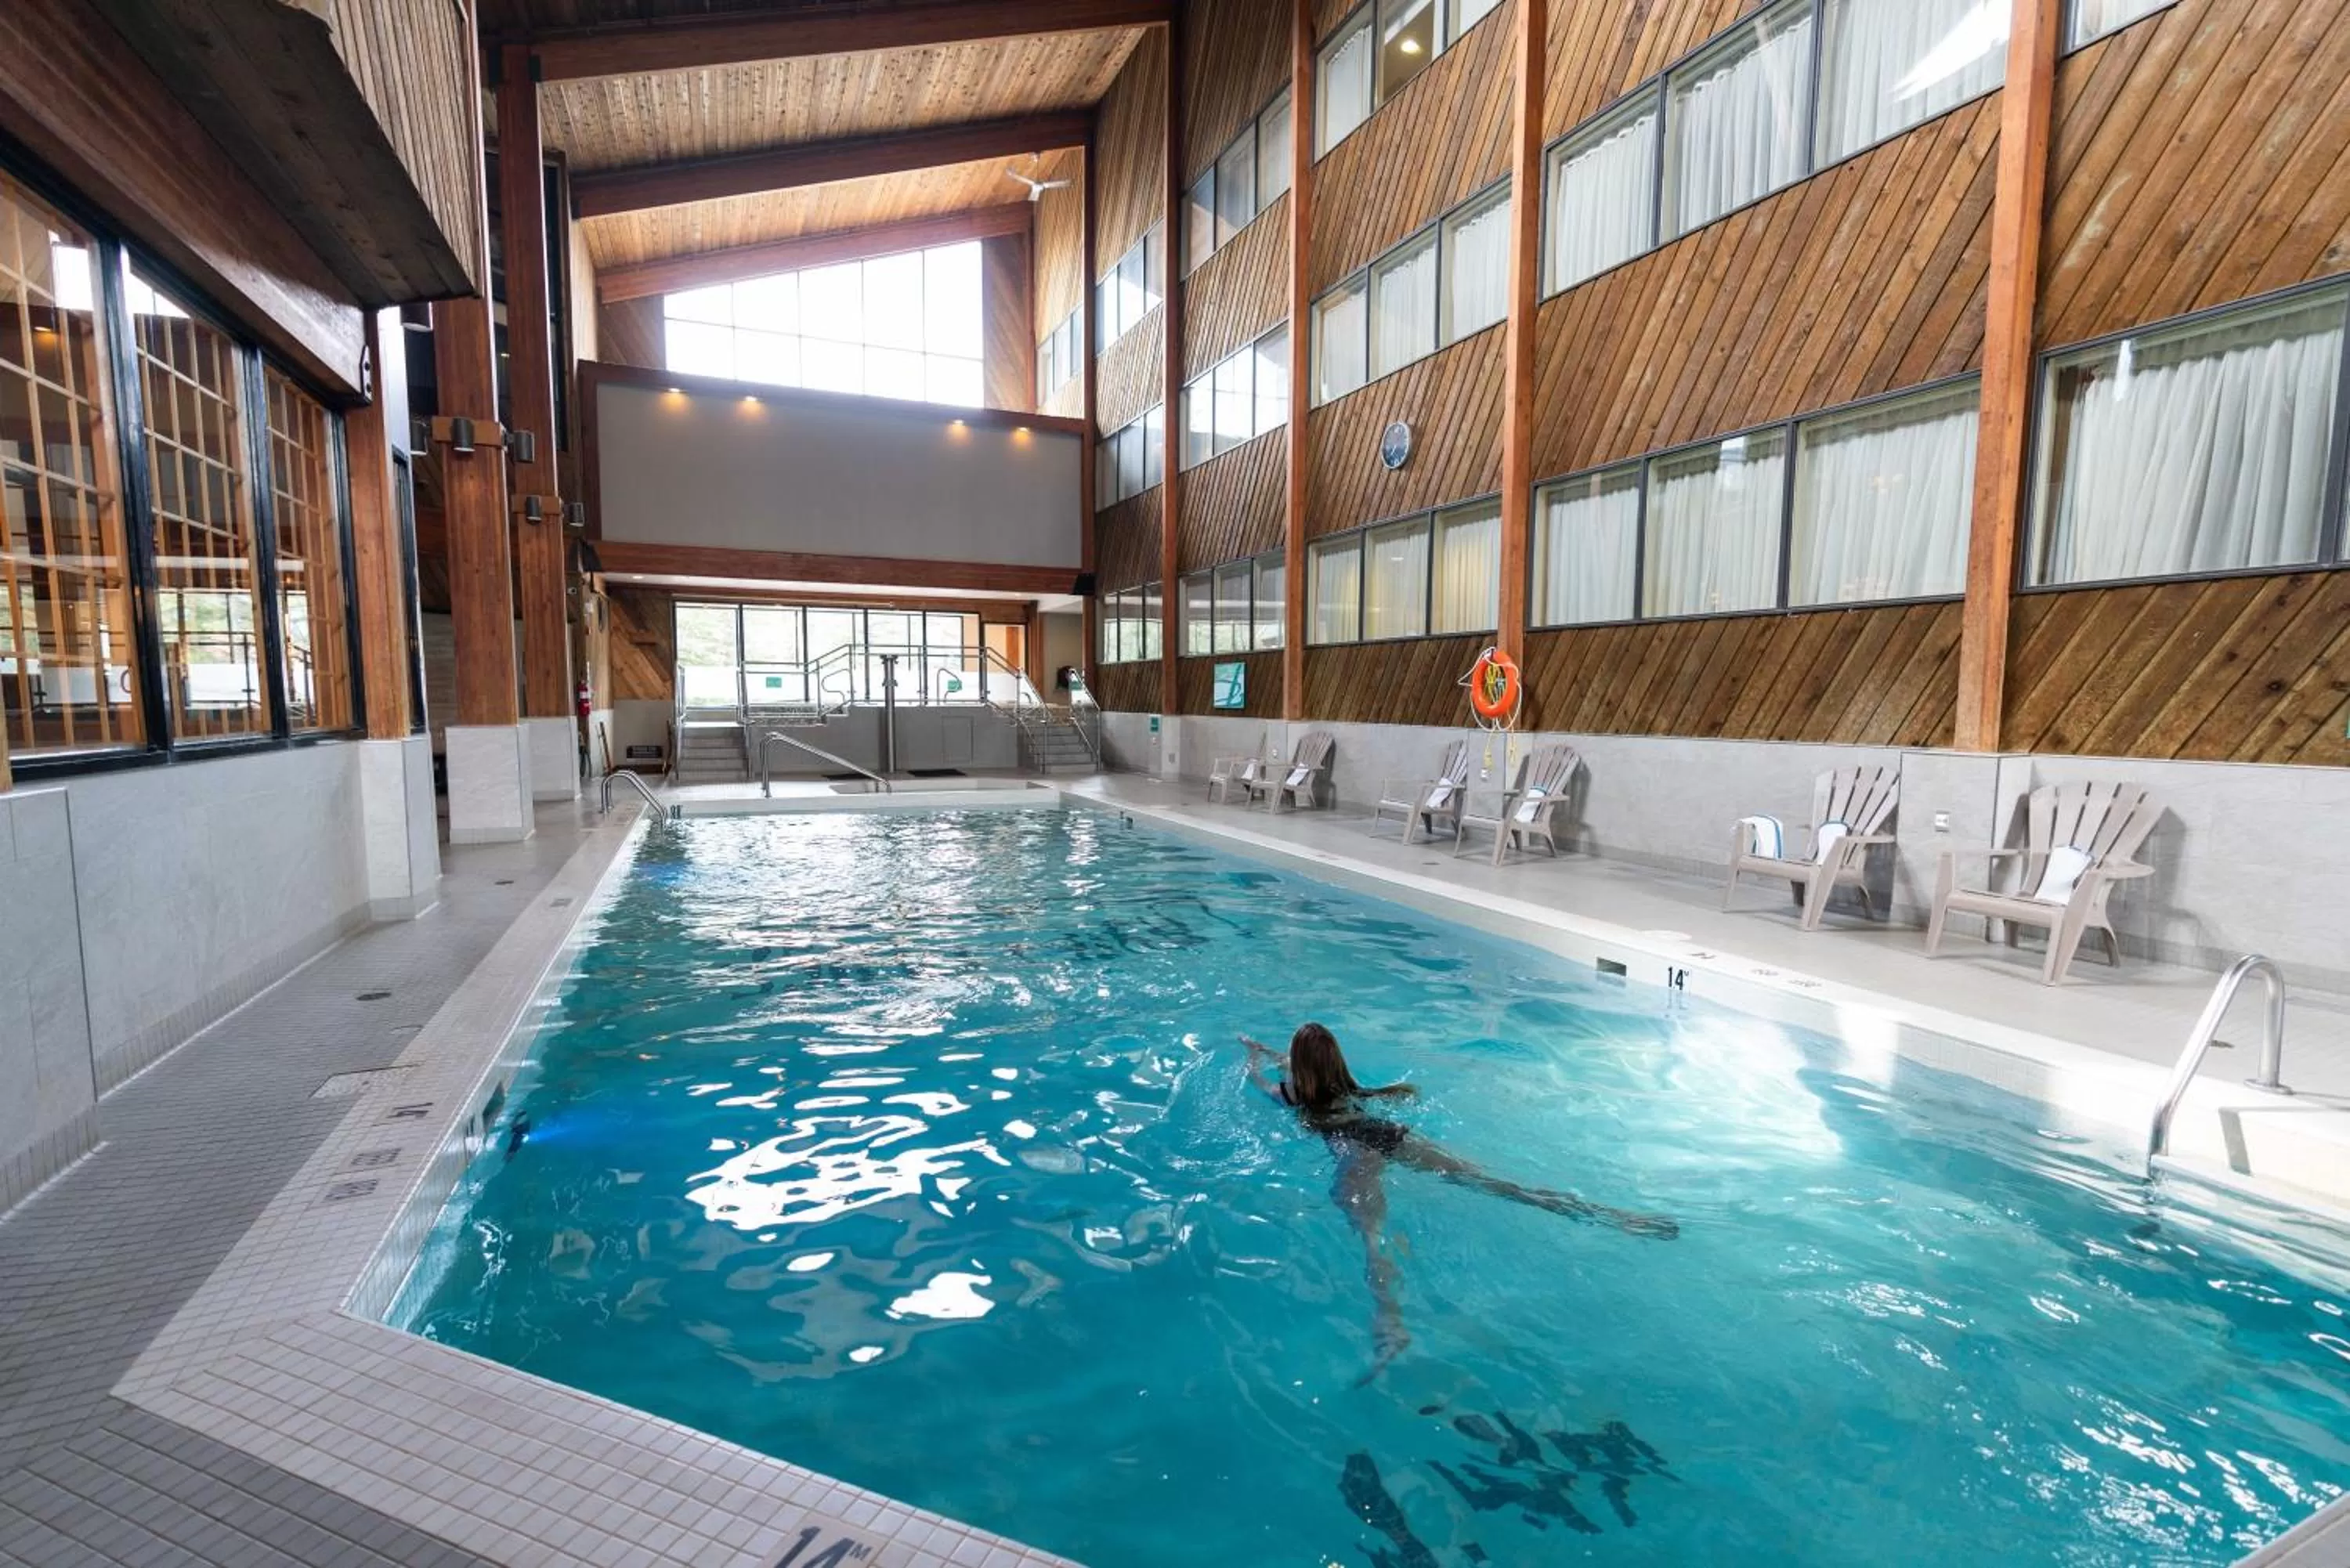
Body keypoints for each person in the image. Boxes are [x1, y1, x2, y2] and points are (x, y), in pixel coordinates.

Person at [1243, 1022, 1677, 1378]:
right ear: (1336, 1059)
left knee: (1373, 1239)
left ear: (1298, 1068)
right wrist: (1272, 1049)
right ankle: (1614, 1216)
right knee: (1498, 1184)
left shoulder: (1292, 1093)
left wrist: (1252, 1055)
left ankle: (1391, 1322)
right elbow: (1306, 1065)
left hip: (1355, 1152)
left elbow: (1262, 1079)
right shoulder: (1348, 1085)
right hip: (1387, 1133)